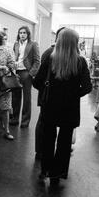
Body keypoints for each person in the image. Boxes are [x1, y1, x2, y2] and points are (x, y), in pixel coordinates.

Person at [33, 28, 92, 186]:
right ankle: (57, 174)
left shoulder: (50, 59)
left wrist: (49, 91)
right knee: (65, 142)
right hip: (70, 108)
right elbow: (87, 87)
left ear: (58, 41)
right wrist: (73, 94)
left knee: (48, 139)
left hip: (49, 106)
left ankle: (45, 169)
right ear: (75, 43)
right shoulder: (80, 62)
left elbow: (36, 82)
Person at [35, 27, 65, 161]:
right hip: (46, 96)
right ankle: (40, 150)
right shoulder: (49, 53)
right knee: (43, 122)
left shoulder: (64, 54)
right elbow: (39, 79)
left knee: (46, 123)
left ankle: (42, 149)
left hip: (50, 96)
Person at [11, 26, 40, 128]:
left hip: (26, 73)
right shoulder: (16, 44)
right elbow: (14, 57)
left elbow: (37, 61)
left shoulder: (33, 44)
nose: (22, 34)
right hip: (16, 72)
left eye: (24, 33)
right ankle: (14, 119)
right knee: (15, 97)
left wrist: (31, 74)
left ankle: (25, 121)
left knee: (27, 99)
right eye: (20, 33)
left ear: (28, 34)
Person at [0, 31, 15, 140]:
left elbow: (12, 64)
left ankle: (7, 130)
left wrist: (6, 68)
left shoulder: (6, 50)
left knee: (5, 108)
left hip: (4, 83)